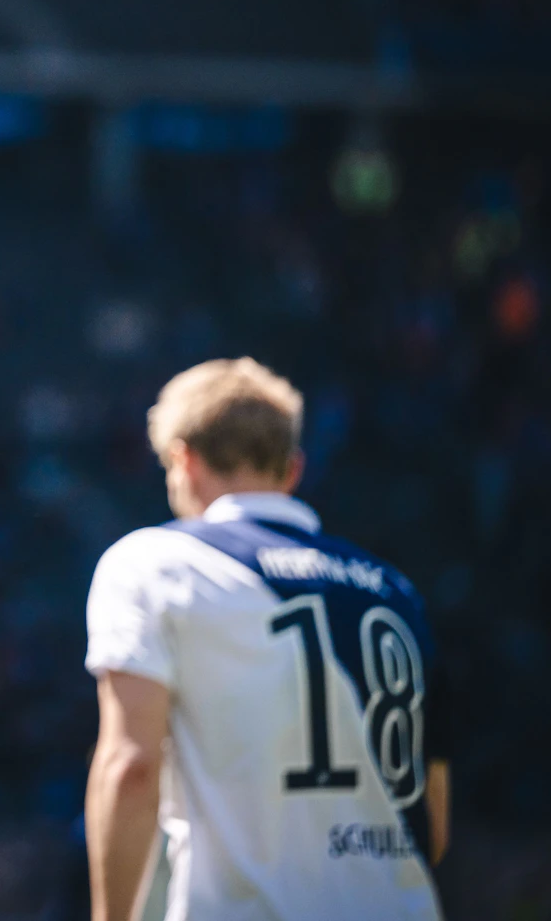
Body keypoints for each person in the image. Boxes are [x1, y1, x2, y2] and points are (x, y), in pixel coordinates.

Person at [83, 359, 449, 921]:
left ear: (183, 459)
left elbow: (131, 767)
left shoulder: (156, 564)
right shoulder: (394, 590)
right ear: (293, 469)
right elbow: (433, 819)